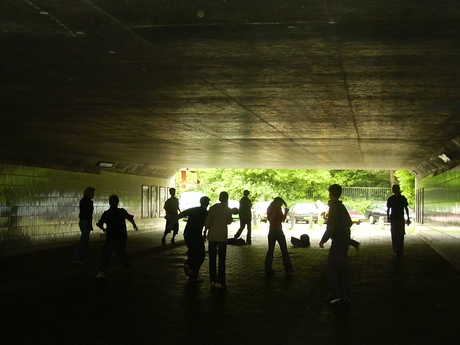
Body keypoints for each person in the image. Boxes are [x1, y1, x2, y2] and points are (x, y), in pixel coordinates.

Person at [319, 184, 353, 304]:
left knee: (332, 267)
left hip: (338, 241)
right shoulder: (342, 206)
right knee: (342, 268)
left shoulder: (334, 208)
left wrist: (324, 239)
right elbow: (349, 222)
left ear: (331, 194)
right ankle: (345, 294)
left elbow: (331, 226)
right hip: (343, 240)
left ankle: (337, 294)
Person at [95, 195, 138, 278]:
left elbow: (99, 224)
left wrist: (104, 229)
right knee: (121, 252)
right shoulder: (122, 211)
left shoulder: (107, 213)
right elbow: (130, 218)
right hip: (122, 236)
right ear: (118, 202)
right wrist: (134, 225)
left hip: (111, 236)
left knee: (106, 254)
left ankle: (103, 271)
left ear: (109, 203)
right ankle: (128, 267)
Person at [177, 196, 210, 282]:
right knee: (201, 255)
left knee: (192, 251)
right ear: (207, 204)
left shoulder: (194, 209)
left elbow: (182, 214)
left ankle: (189, 266)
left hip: (187, 234)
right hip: (196, 234)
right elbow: (207, 224)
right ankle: (193, 274)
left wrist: (172, 222)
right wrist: (205, 233)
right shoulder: (205, 212)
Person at [205, 191, 233, 288]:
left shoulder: (213, 208)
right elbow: (229, 221)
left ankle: (213, 280)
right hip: (222, 236)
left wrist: (205, 232)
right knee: (222, 260)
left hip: (212, 236)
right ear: (227, 199)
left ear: (219, 198)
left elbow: (207, 222)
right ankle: (221, 281)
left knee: (212, 259)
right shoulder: (228, 210)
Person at [265, 197, 293, 275]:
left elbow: (282, 220)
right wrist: (275, 211)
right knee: (272, 250)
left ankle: (288, 268)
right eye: (280, 204)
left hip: (278, 229)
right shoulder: (271, 208)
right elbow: (270, 219)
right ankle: (268, 268)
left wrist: (285, 213)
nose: (281, 205)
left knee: (283, 249)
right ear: (276, 202)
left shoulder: (279, 209)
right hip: (273, 230)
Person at [73, 186, 95, 263]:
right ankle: (78, 257)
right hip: (86, 222)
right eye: (92, 193)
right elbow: (89, 214)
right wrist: (90, 225)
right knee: (84, 240)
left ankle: (80, 256)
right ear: (89, 193)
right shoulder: (90, 202)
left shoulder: (82, 201)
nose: (93, 194)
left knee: (83, 239)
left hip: (82, 221)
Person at [387, 185, 410, 256]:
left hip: (396, 218)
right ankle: (398, 249)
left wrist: (388, 217)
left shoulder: (391, 199)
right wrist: (408, 218)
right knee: (399, 234)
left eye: (394, 189)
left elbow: (388, 209)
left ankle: (397, 248)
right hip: (399, 218)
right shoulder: (402, 198)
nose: (393, 190)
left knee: (396, 234)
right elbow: (406, 208)